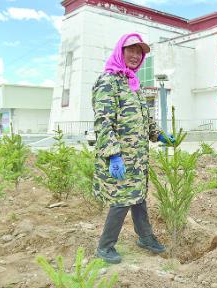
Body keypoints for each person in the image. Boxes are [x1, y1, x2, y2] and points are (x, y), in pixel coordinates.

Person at [92, 33, 174, 264]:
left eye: (140, 52)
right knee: (121, 201)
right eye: (131, 50)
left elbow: (144, 120)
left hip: (137, 158)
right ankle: (105, 247)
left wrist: (160, 135)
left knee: (138, 197)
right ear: (121, 51)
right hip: (119, 157)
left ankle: (145, 237)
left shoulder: (132, 84)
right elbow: (103, 121)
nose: (136, 55)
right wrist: (114, 154)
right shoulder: (108, 82)